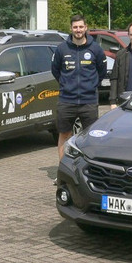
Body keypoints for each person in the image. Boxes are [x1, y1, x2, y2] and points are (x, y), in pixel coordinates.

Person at [51, 14, 107, 161]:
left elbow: (101, 72)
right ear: (71, 28)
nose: (78, 30)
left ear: (86, 27)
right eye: (75, 27)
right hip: (66, 100)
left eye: (81, 27)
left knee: (91, 137)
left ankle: (90, 170)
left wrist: (91, 85)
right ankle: (64, 170)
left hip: (88, 101)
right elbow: (55, 71)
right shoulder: (62, 49)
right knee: (64, 135)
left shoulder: (96, 49)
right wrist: (66, 84)